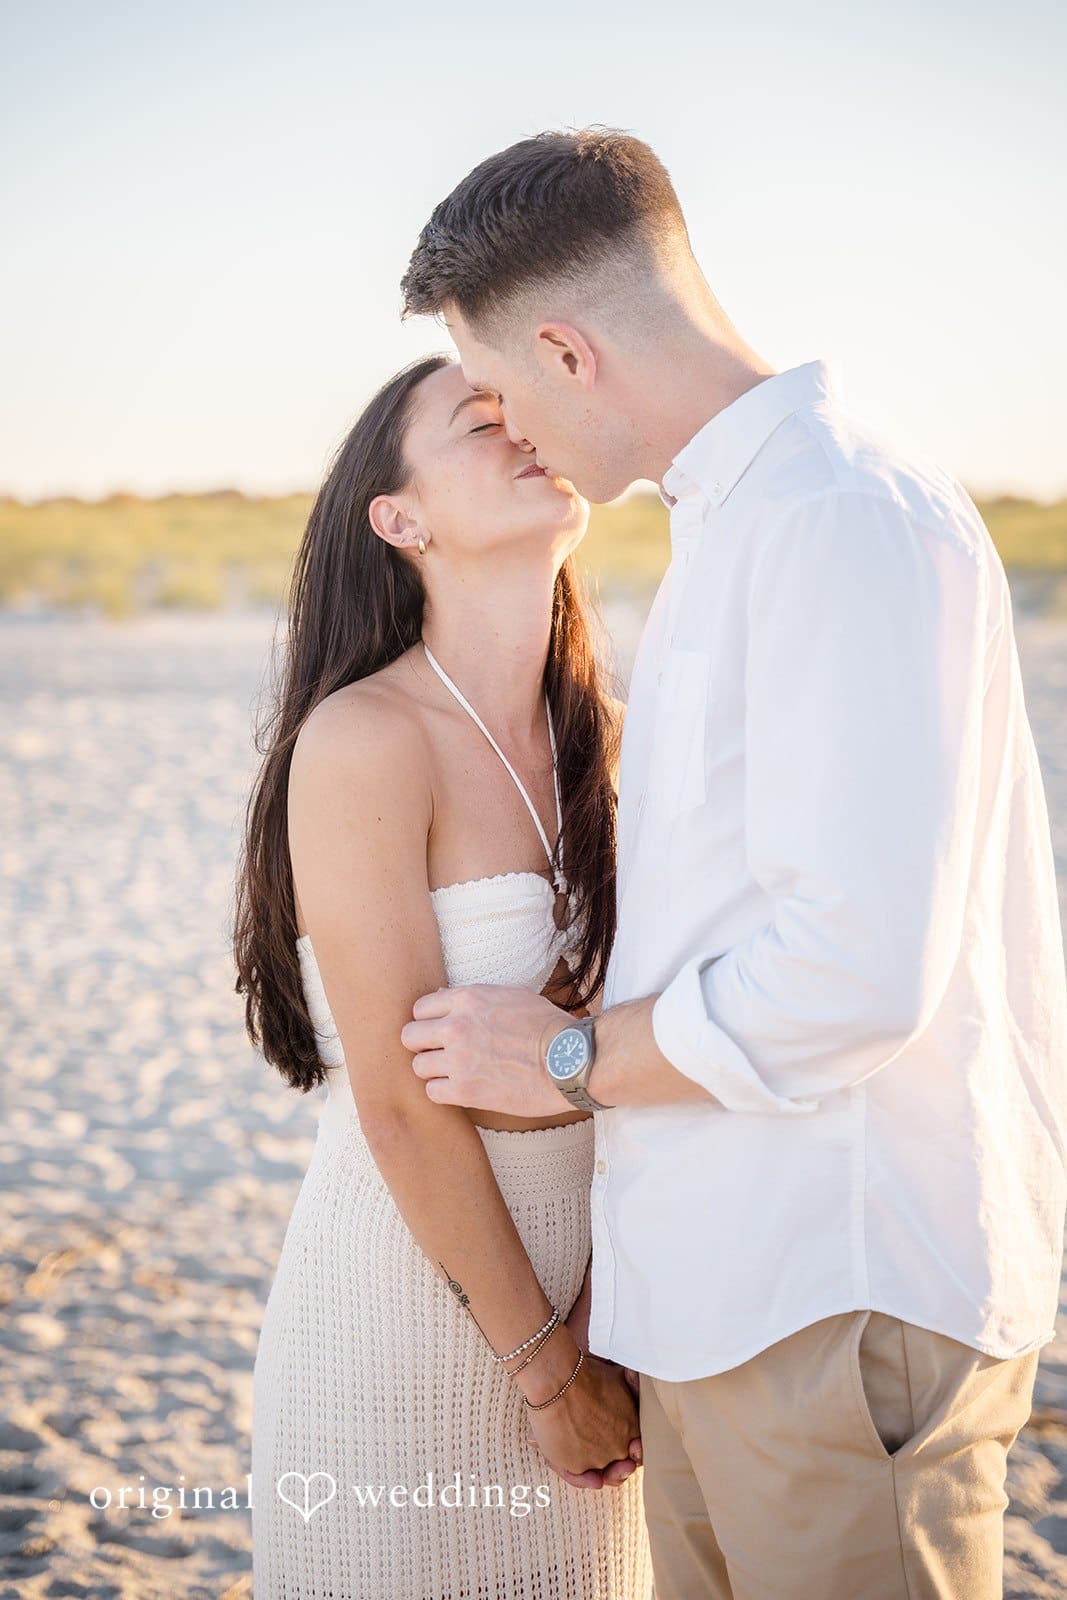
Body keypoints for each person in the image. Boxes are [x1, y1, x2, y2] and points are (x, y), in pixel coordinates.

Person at [397, 127, 1067, 1599]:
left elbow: (851, 972)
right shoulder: (738, 521)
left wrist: (565, 1056)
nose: (511, 430)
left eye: (504, 392)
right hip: (731, 1301)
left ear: (567, 352)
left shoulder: (833, 517)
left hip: (836, 1293)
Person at [234, 353, 654, 1599]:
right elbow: (402, 1102)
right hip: (407, 1332)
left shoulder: (622, 738)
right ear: (400, 521)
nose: (526, 430)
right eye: (483, 421)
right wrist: (544, 1373)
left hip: (608, 1324)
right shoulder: (366, 737)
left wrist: (595, 1340)